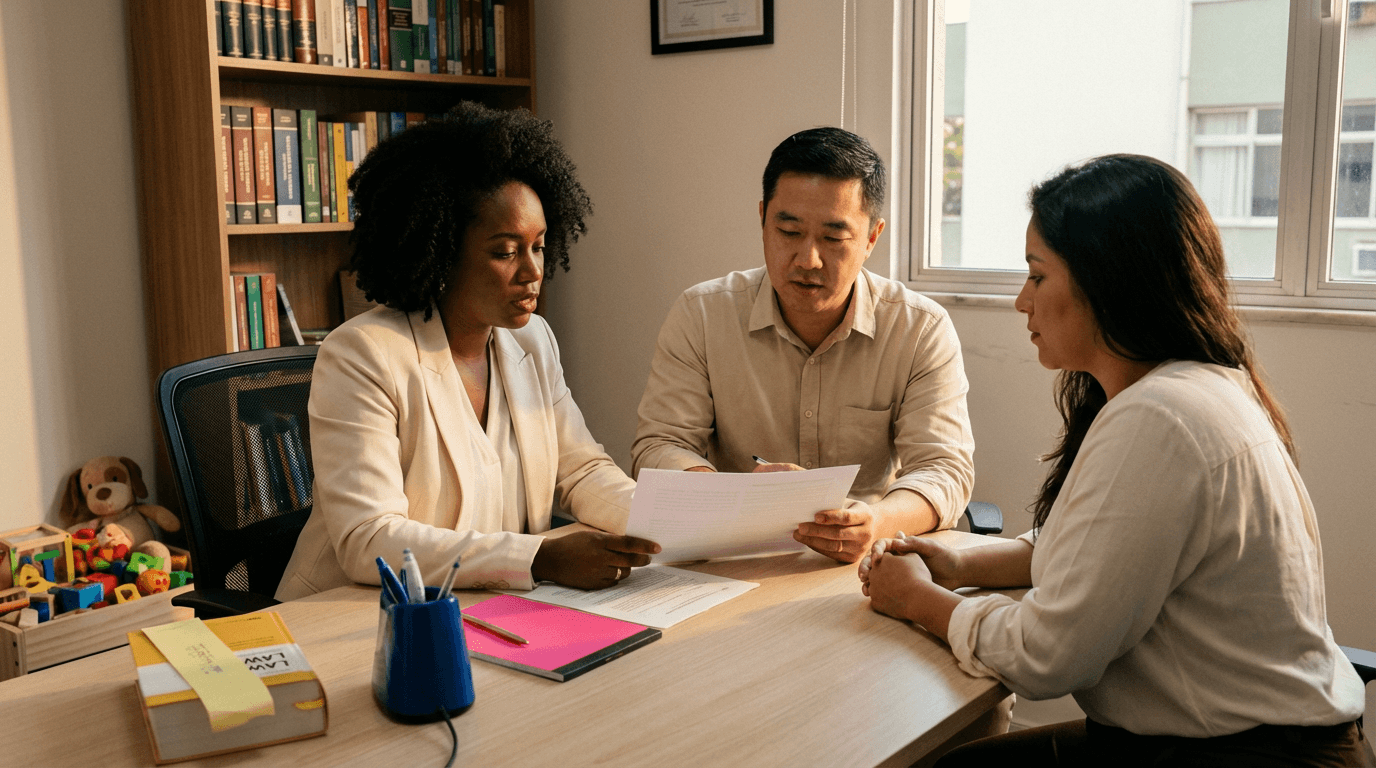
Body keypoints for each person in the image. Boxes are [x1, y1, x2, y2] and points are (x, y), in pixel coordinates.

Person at [860, 154, 1370, 766]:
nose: (1022, 301)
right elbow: (1086, 551)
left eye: (1037, 276)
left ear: (1107, 283)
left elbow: (1045, 656)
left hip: (1247, 754)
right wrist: (951, 563)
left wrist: (917, 599)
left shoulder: (1160, 419)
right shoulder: (1194, 388)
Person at [276, 102, 659, 601]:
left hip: (487, 607)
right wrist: (538, 558)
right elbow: (369, 538)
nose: (532, 271)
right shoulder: (362, 355)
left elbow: (582, 470)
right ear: (440, 251)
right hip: (356, 617)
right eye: (505, 251)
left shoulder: (532, 340)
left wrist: (674, 523)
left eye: (539, 246)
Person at [632, 127, 975, 564]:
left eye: (833, 238)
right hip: (731, 560)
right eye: (789, 231)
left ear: (872, 237)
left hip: (862, 564)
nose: (808, 259)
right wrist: (728, 495)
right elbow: (658, 447)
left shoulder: (919, 328)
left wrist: (874, 522)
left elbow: (944, 469)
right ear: (762, 220)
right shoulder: (702, 314)